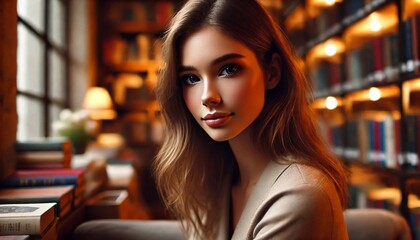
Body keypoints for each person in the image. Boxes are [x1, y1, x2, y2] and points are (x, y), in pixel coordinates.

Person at [153, 0, 349, 239]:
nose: (208, 97)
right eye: (191, 78)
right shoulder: (215, 179)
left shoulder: (301, 195)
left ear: (272, 72)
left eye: (228, 70)